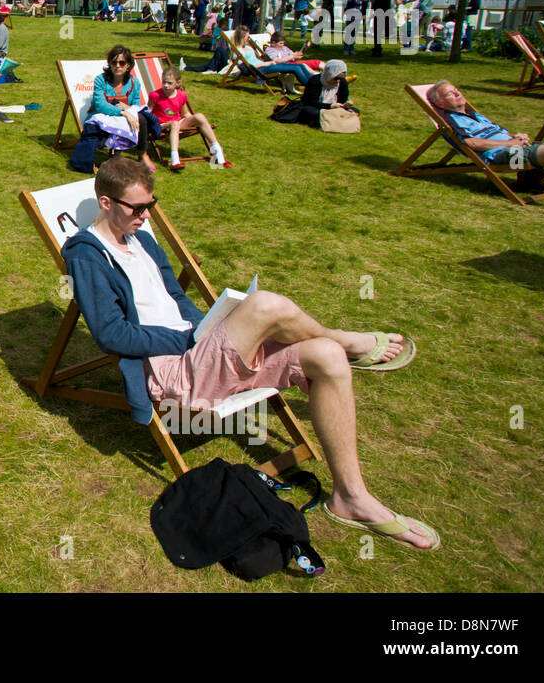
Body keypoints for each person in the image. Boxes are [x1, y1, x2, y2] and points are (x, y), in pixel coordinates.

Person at [63, 157, 437, 550]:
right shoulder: (86, 255)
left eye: (150, 206)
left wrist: (208, 324)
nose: (144, 215)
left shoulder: (143, 240)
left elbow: (174, 297)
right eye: (135, 208)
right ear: (106, 203)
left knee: (325, 355)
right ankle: (349, 340)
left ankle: (351, 497)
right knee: (265, 307)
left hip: (200, 350)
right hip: (174, 373)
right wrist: (191, 339)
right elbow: (110, 334)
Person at [427, 80, 544, 186]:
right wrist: (510, 143)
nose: (457, 93)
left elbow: (497, 133)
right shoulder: (451, 120)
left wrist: (515, 137)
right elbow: (471, 143)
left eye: (456, 90)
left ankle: (540, 182)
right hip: (504, 158)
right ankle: (543, 181)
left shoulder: (474, 115)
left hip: (515, 150)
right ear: (440, 103)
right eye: (449, 94)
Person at [69, 45, 157, 173]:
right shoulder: (100, 80)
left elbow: (136, 105)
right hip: (102, 116)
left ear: (128, 65)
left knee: (142, 118)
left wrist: (127, 110)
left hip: (123, 118)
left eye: (122, 62)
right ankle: (110, 159)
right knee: (96, 128)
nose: (117, 66)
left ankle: (143, 154)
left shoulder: (134, 82)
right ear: (109, 63)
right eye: (114, 62)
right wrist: (123, 112)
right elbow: (100, 105)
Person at [147, 67, 228, 170]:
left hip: (176, 123)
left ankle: (218, 152)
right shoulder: (155, 95)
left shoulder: (182, 95)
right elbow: (148, 113)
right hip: (160, 125)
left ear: (177, 83)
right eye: (164, 82)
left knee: (200, 116)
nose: (166, 86)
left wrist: (195, 120)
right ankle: (175, 160)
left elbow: (185, 113)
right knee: (175, 124)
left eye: (169, 83)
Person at [296, 59, 355, 127]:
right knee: (311, 112)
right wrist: (330, 106)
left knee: (355, 111)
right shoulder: (315, 81)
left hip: (335, 108)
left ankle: (331, 119)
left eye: (341, 78)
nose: (338, 81)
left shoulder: (342, 82)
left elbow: (343, 99)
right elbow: (310, 102)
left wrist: (345, 105)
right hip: (317, 107)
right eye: (336, 78)